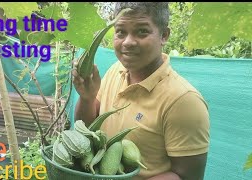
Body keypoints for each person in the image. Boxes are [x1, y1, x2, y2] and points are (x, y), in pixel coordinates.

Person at [72, 2, 210, 180]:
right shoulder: (115, 71)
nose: (128, 42)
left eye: (142, 31)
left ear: (164, 35)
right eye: (120, 31)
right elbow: (87, 130)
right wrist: (87, 98)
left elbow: (188, 176)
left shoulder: (184, 101)